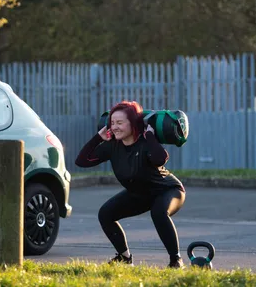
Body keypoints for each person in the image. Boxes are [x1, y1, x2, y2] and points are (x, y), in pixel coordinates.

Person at [75, 101, 186, 268]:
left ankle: (176, 260)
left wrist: (150, 137)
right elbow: (82, 161)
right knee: (106, 214)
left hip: (167, 190)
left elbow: (160, 159)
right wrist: (98, 137)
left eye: (120, 123)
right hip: (140, 194)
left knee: (158, 212)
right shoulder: (112, 146)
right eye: (112, 123)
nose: (115, 127)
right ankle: (124, 257)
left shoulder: (145, 141)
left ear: (132, 123)